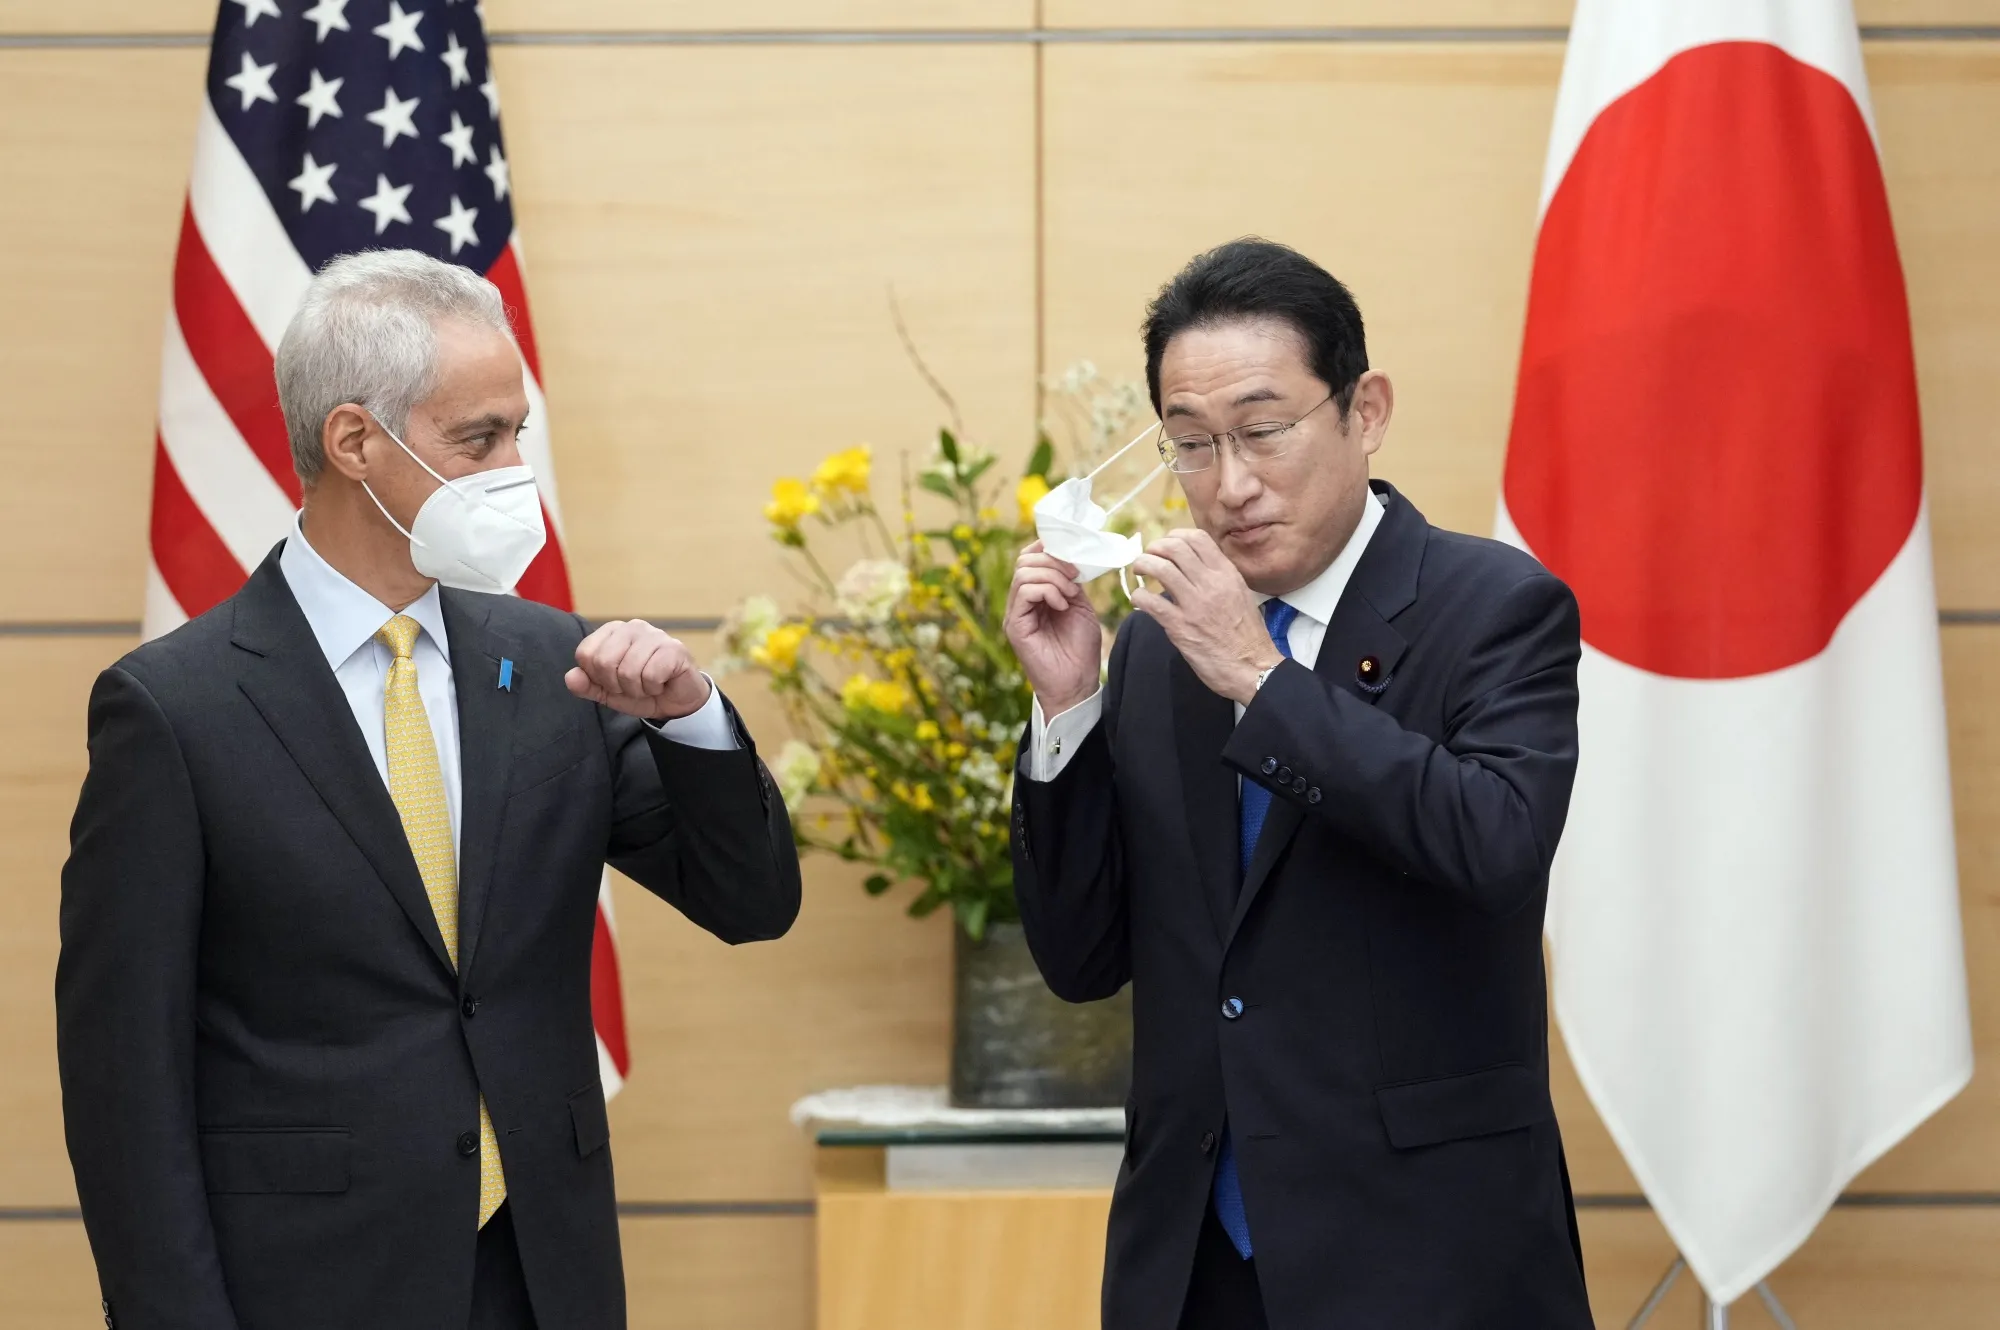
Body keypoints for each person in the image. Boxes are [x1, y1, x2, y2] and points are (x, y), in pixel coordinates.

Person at [56, 250, 802, 1330]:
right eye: (479, 438)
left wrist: (689, 717)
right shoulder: (174, 711)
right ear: (354, 440)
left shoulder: (561, 666)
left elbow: (751, 901)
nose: (513, 472)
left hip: (539, 1272)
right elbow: (126, 1083)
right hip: (306, 1284)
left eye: (517, 436)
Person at [1005, 239, 1593, 1329]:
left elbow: (1494, 845)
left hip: (1423, 1256)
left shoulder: (1493, 606)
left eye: (1263, 432)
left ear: (1362, 410)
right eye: (1189, 445)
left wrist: (1262, 681)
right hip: (1192, 1262)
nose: (1227, 485)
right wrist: (1067, 710)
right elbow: (1080, 960)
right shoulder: (1153, 644)